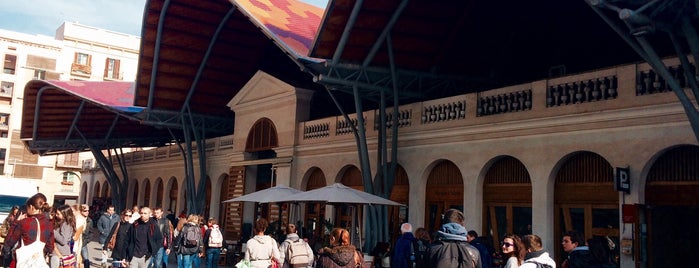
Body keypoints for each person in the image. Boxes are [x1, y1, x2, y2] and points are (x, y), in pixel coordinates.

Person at [2, 193, 55, 267]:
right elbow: (50, 247)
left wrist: (16, 222)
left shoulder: (25, 223)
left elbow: (9, 242)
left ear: (31, 207)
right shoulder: (49, 224)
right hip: (39, 263)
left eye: (27, 208)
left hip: (24, 263)